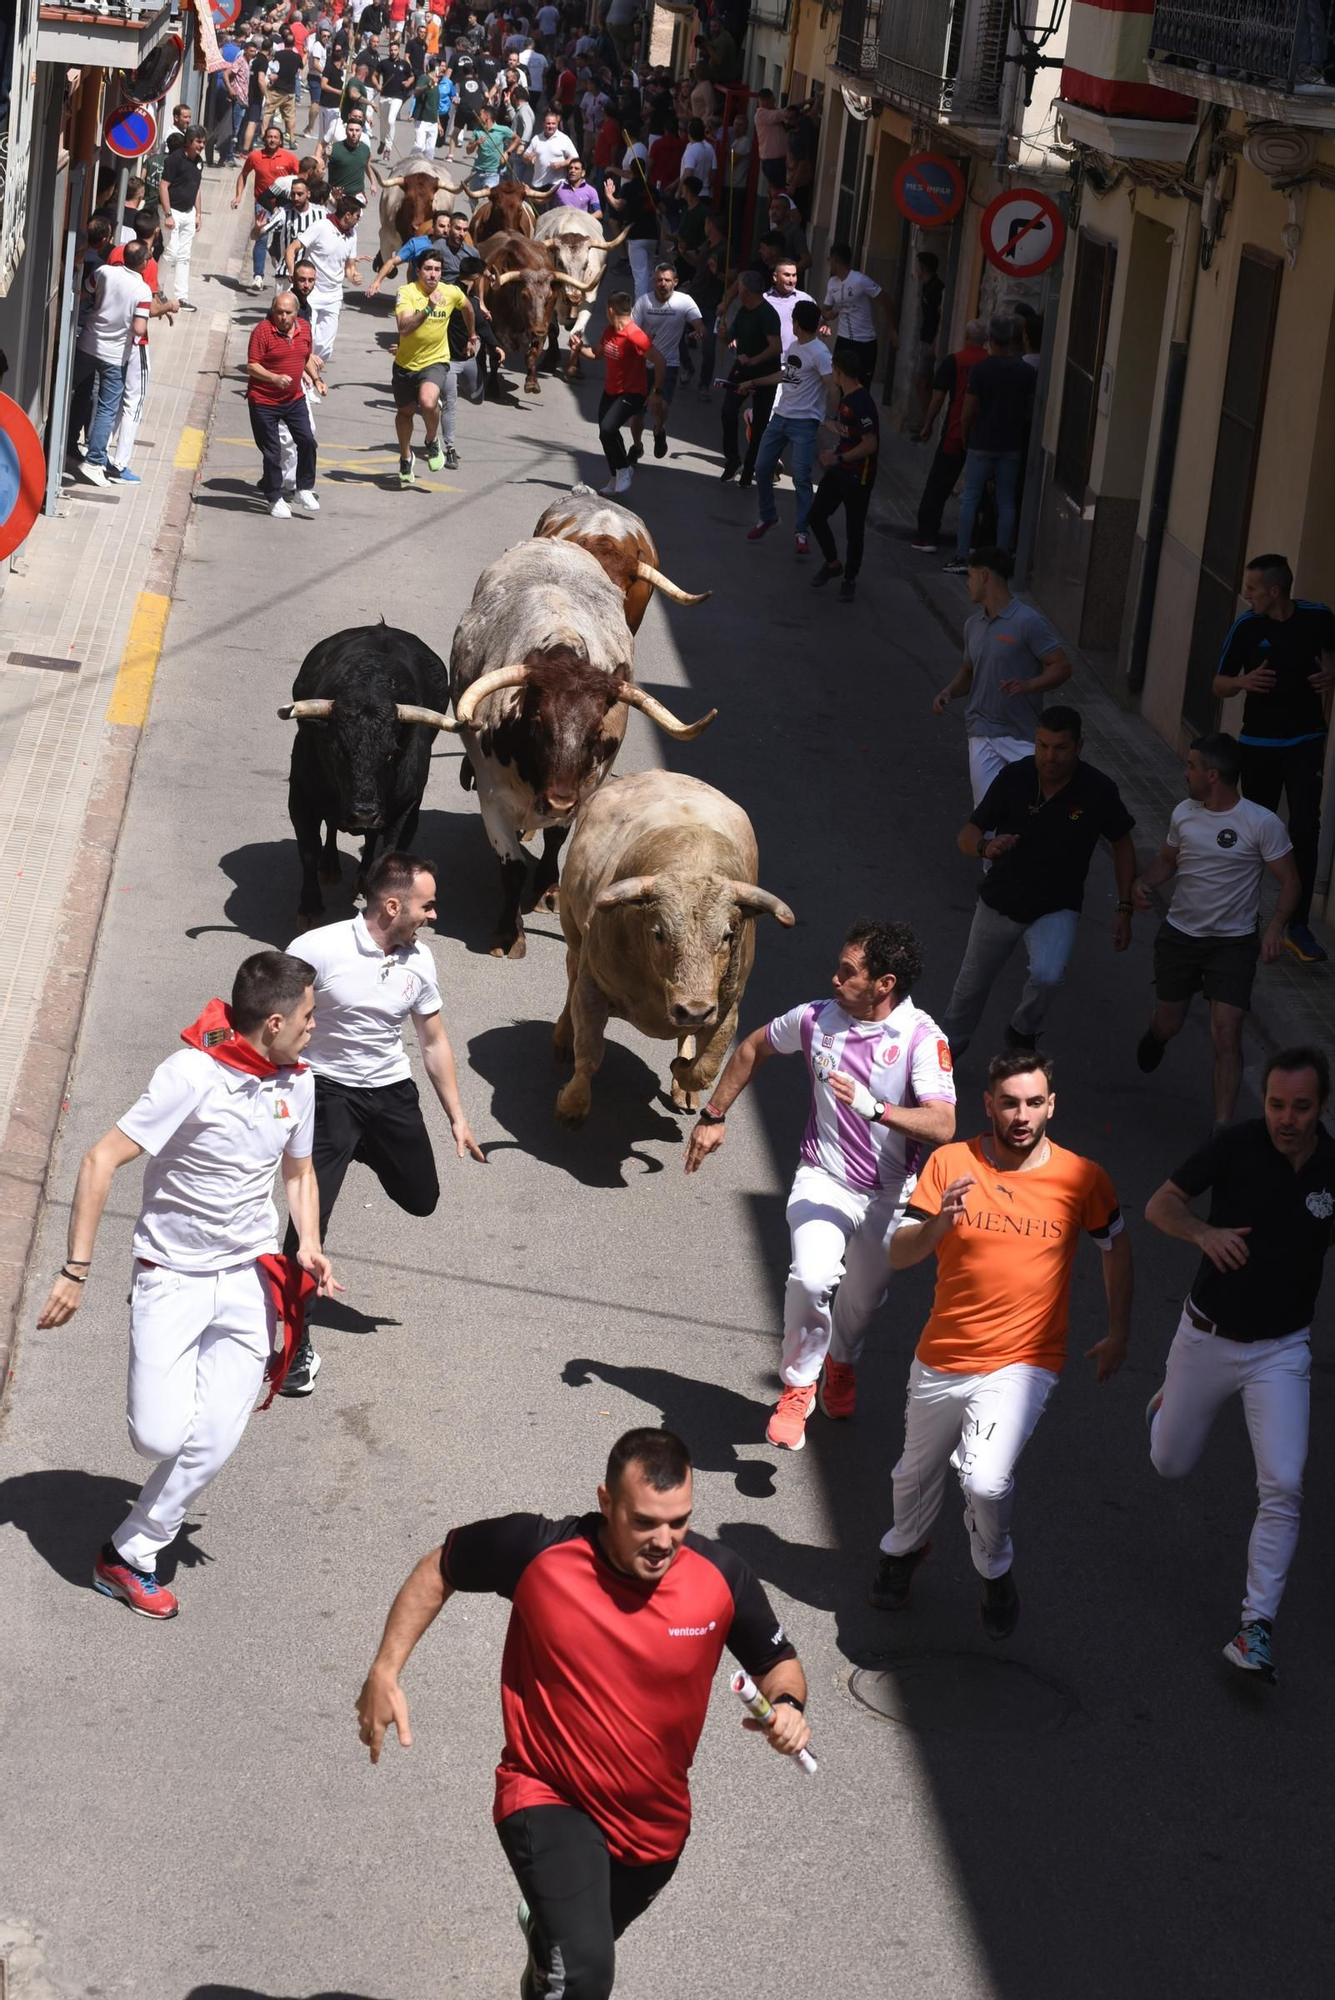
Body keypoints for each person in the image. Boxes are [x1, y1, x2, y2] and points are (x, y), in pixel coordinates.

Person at [355, 1427, 810, 1998]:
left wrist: (787, 1707)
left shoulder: (721, 1577)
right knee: (587, 1974)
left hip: (654, 1828)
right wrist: (385, 1671)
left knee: (566, 1958)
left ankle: (546, 1936)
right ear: (605, 1503)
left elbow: (777, 1660)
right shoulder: (540, 1552)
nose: (663, 1541)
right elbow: (441, 1568)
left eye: (679, 1521)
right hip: (548, 1796)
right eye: (644, 1522)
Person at [33, 952, 337, 1621]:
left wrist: (308, 1241)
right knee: (162, 1438)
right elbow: (98, 1160)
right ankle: (144, 1515)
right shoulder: (192, 1075)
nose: (317, 1028)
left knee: (220, 1434)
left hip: (247, 1279)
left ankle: (129, 1552)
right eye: (310, 1018)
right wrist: (75, 1270)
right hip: (171, 1276)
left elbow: (299, 1171)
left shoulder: (298, 1082)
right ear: (276, 1020)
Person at [871, 1051, 1130, 1638]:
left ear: (1051, 1106)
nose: (1021, 1115)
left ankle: (993, 1568)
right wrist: (940, 1223)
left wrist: (1119, 1331)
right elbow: (899, 1252)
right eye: (1009, 1102)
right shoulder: (950, 1163)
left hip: (1024, 1360)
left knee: (985, 1480)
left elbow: (1115, 1245)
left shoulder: (1081, 1177)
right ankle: (904, 1550)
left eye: (1034, 1102)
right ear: (988, 1104)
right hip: (942, 1354)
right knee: (914, 1473)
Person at [684, 921, 956, 1450]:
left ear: (884, 984)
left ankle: (842, 1363)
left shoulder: (923, 1039)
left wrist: (874, 1108)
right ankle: (798, 1384)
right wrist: (714, 1114)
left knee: (861, 1300)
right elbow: (754, 1047)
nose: (834, 979)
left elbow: (943, 1124)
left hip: (892, 1193)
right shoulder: (816, 1019)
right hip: (823, 1177)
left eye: (848, 972)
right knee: (811, 1279)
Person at [1144, 1046, 1335, 1685]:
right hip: (1206, 1337)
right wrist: (1203, 1234)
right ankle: (1171, 1400)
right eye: (1277, 1104)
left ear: (1321, 1108)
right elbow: (1159, 1204)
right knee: (1169, 1462)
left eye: (1300, 1108)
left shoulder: (1333, 1168)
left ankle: (1256, 1628)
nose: (1286, 1118)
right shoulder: (1236, 1146)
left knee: (1283, 1483)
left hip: (1282, 1351)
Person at [281, 853, 482, 1392]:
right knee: (305, 1228)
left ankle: (363, 1149)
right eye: (428, 905)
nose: (434, 916)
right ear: (392, 906)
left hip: (390, 1095)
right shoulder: (317, 950)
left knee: (423, 1197)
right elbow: (271, 1022)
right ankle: (294, 1348)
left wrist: (458, 1119)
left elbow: (433, 1041)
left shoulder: (421, 961)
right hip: (326, 1096)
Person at [941, 707, 1136, 1055]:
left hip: (1056, 906)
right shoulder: (1015, 777)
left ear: (1079, 746)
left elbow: (1122, 843)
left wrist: (1124, 906)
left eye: (1060, 747)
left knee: (1048, 975)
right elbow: (966, 834)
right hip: (1000, 902)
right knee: (968, 990)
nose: (1049, 756)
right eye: (1042, 745)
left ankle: (1022, 1029)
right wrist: (986, 847)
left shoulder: (1098, 790)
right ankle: (942, 1060)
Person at [1132, 733, 1300, 1125]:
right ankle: (1157, 1034)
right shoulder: (1184, 814)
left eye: (1190, 766)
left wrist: (1276, 927)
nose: (1184, 772)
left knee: (1227, 1033)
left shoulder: (1261, 823)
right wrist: (1145, 882)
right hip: (1180, 936)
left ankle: (1221, 1128)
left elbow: (1291, 880)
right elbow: (1167, 860)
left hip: (1233, 945)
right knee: (1169, 1021)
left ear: (1212, 775)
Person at [1213, 553, 1335, 966]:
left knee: (1304, 826)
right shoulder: (1246, 627)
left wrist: (1331, 672)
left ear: (1275, 591)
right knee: (1257, 833)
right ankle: (1245, 915)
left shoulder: (1318, 618)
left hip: (1305, 740)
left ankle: (1297, 928)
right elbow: (1218, 683)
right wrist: (1242, 682)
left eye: (1251, 589)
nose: (1246, 596)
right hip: (1259, 744)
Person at [932, 546, 1072, 804]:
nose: (967, 584)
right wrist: (949, 691)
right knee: (986, 817)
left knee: (1028, 815)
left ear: (984, 576)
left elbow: (1062, 667)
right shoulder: (972, 625)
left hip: (1023, 737)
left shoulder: (1027, 621)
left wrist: (1030, 685)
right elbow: (969, 669)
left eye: (970, 577)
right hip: (982, 732)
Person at [72, 244, 176, 489]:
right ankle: (95, 461)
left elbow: (85, 292)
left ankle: (64, 443)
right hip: (114, 356)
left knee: (74, 392)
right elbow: (139, 328)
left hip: (88, 344)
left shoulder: (104, 272)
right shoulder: (140, 290)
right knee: (107, 409)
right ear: (142, 264)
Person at [946, 314, 1036, 570]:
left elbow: (968, 410)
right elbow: (1029, 409)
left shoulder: (982, 369)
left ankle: (963, 555)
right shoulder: (1025, 371)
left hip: (982, 441)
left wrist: (965, 436)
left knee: (970, 497)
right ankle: (1002, 555)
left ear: (990, 339)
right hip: (1011, 444)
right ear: (1012, 339)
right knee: (1006, 500)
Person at [744, 299, 832, 558]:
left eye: (792, 320)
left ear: (797, 323)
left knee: (802, 477)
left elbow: (833, 384)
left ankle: (801, 531)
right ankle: (768, 517)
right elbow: (786, 375)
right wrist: (755, 381)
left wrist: (831, 417)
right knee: (761, 467)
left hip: (804, 423)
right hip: (780, 418)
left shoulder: (820, 353)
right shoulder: (796, 345)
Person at [569, 290, 666, 497]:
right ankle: (615, 476)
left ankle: (624, 469)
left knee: (608, 428)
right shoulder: (609, 331)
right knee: (606, 434)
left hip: (632, 393)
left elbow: (659, 361)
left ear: (610, 310)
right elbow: (595, 354)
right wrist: (579, 348)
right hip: (611, 391)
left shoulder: (634, 335)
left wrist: (656, 392)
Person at [391, 248, 473, 483]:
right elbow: (404, 328)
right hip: (405, 365)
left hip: (435, 361)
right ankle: (406, 457)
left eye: (437, 270)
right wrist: (428, 307)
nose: (433, 274)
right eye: (428, 269)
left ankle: (431, 440)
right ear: (418, 271)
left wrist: (472, 335)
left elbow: (467, 308)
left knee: (428, 401)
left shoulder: (451, 292)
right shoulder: (405, 292)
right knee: (405, 413)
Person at [910, 318, 988, 554]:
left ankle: (927, 537)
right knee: (979, 490)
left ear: (966, 336)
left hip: (954, 433)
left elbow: (938, 397)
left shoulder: (954, 361)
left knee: (938, 486)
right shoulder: (989, 363)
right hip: (982, 439)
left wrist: (928, 424)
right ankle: (977, 540)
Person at [807, 349, 878, 602]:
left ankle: (849, 578)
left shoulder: (862, 402)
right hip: (840, 469)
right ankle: (833, 563)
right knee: (816, 516)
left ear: (838, 371)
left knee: (854, 530)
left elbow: (870, 444)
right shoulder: (846, 399)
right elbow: (851, 437)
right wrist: (835, 449)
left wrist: (838, 458)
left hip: (858, 476)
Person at [246, 289, 320, 517]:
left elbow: (305, 357)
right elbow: (252, 365)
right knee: (272, 452)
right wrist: (273, 378)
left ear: (297, 313)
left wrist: (316, 379)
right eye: (278, 312)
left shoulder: (304, 329)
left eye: (288, 312)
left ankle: (304, 488)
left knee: (307, 440)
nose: (283, 317)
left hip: (294, 399)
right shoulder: (262, 332)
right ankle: (274, 498)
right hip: (264, 401)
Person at [630, 258, 701, 459]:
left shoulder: (684, 302)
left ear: (675, 282)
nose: (663, 284)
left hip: (669, 363)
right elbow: (631, 330)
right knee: (636, 414)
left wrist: (699, 333)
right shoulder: (643, 302)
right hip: (643, 364)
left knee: (662, 407)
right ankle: (636, 446)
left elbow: (700, 326)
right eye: (659, 280)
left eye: (667, 280)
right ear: (654, 281)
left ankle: (659, 430)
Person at [717, 268, 780, 487]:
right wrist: (725, 336)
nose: (737, 293)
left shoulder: (768, 314)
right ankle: (733, 458)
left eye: (740, 289)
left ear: (747, 293)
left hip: (764, 373)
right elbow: (731, 336)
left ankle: (750, 467)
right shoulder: (744, 311)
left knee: (760, 424)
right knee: (727, 411)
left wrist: (753, 361)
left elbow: (775, 347)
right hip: (741, 369)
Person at [233, 125, 302, 291]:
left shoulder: (289, 158)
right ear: (264, 139)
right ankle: (258, 276)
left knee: (281, 239)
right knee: (261, 237)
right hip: (262, 203)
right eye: (269, 137)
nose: (272, 140)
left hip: (284, 205)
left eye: (275, 137)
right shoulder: (255, 157)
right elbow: (243, 175)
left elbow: (300, 179)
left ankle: (280, 266)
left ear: (280, 140)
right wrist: (238, 196)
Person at [296, 193, 364, 360]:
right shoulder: (321, 226)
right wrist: (294, 274)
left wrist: (353, 276)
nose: (358, 220)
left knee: (325, 346)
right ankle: (304, 377)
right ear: (347, 215)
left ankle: (311, 373)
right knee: (306, 338)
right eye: (357, 216)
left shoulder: (352, 234)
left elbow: (349, 266)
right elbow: (292, 248)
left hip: (334, 295)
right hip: (312, 292)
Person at [820, 240, 893, 385]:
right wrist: (827, 318)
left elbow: (886, 300)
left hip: (865, 341)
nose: (829, 263)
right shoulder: (832, 283)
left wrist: (891, 329)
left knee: (862, 384)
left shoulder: (860, 280)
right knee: (839, 382)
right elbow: (825, 309)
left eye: (830, 259)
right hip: (843, 339)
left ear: (836, 260)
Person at [158, 124, 206, 310]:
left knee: (184, 256)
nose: (201, 146)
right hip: (173, 212)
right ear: (188, 141)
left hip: (189, 213)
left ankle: (181, 297)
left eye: (203, 142)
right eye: (198, 142)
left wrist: (198, 214)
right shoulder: (174, 159)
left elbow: (196, 188)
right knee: (171, 252)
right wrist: (168, 214)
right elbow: (163, 186)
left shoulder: (198, 161)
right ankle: (158, 289)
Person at [911, 249, 944, 431]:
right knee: (921, 381)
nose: (915, 270)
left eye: (917, 266)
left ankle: (927, 425)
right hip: (925, 339)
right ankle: (926, 422)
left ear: (922, 268)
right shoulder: (927, 286)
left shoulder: (936, 289)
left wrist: (935, 343)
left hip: (930, 342)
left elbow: (940, 318)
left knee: (921, 381)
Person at [466, 102, 523, 186]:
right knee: (472, 198)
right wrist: (476, 143)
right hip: (477, 171)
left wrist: (507, 153)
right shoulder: (477, 131)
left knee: (490, 198)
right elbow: (468, 150)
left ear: (487, 117)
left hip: (494, 173)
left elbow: (517, 139)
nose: (478, 117)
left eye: (480, 114)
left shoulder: (502, 130)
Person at [326, 108, 379, 195]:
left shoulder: (365, 149)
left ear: (361, 132)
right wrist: (325, 155)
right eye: (351, 130)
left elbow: (366, 165)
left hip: (357, 195)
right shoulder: (334, 148)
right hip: (337, 195)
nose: (354, 133)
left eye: (357, 130)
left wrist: (373, 183)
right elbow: (320, 169)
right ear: (346, 132)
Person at [378, 39, 416, 155]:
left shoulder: (404, 64)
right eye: (391, 50)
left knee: (391, 120)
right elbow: (375, 75)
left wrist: (409, 82)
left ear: (399, 50)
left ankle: (388, 148)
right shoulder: (383, 63)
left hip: (398, 97)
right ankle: (382, 141)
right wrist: (377, 85)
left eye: (395, 50)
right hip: (384, 96)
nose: (393, 52)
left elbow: (411, 76)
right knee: (383, 122)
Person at [525, 105, 579, 186]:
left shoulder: (564, 139)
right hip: (538, 184)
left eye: (553, 124)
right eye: (548, 123)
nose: (551, 126)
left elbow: (575, 157)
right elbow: (525, 155)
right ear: (543, 124)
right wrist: (528, 158)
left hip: (558, 184)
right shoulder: (536, 138)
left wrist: (561, 164)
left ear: (557, 124)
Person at [266, 27, 304, 138]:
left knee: (268, 113)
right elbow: (300, 68)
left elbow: (273, 68)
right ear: (293, 44)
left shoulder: (278, 55)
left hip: (277, 89)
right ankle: (291, 138)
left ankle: (264, 134)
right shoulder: (297, 57)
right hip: (290, 90)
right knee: (290, 117)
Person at [753, 87, 788, 189]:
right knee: (777, 190)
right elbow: (782, 114)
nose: (765, 102)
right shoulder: (760, 114)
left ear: (773, 99)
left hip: (782, 159)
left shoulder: (776, 111)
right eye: (762, 100)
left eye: (767, 99)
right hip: (771, 161)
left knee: (779, 189)